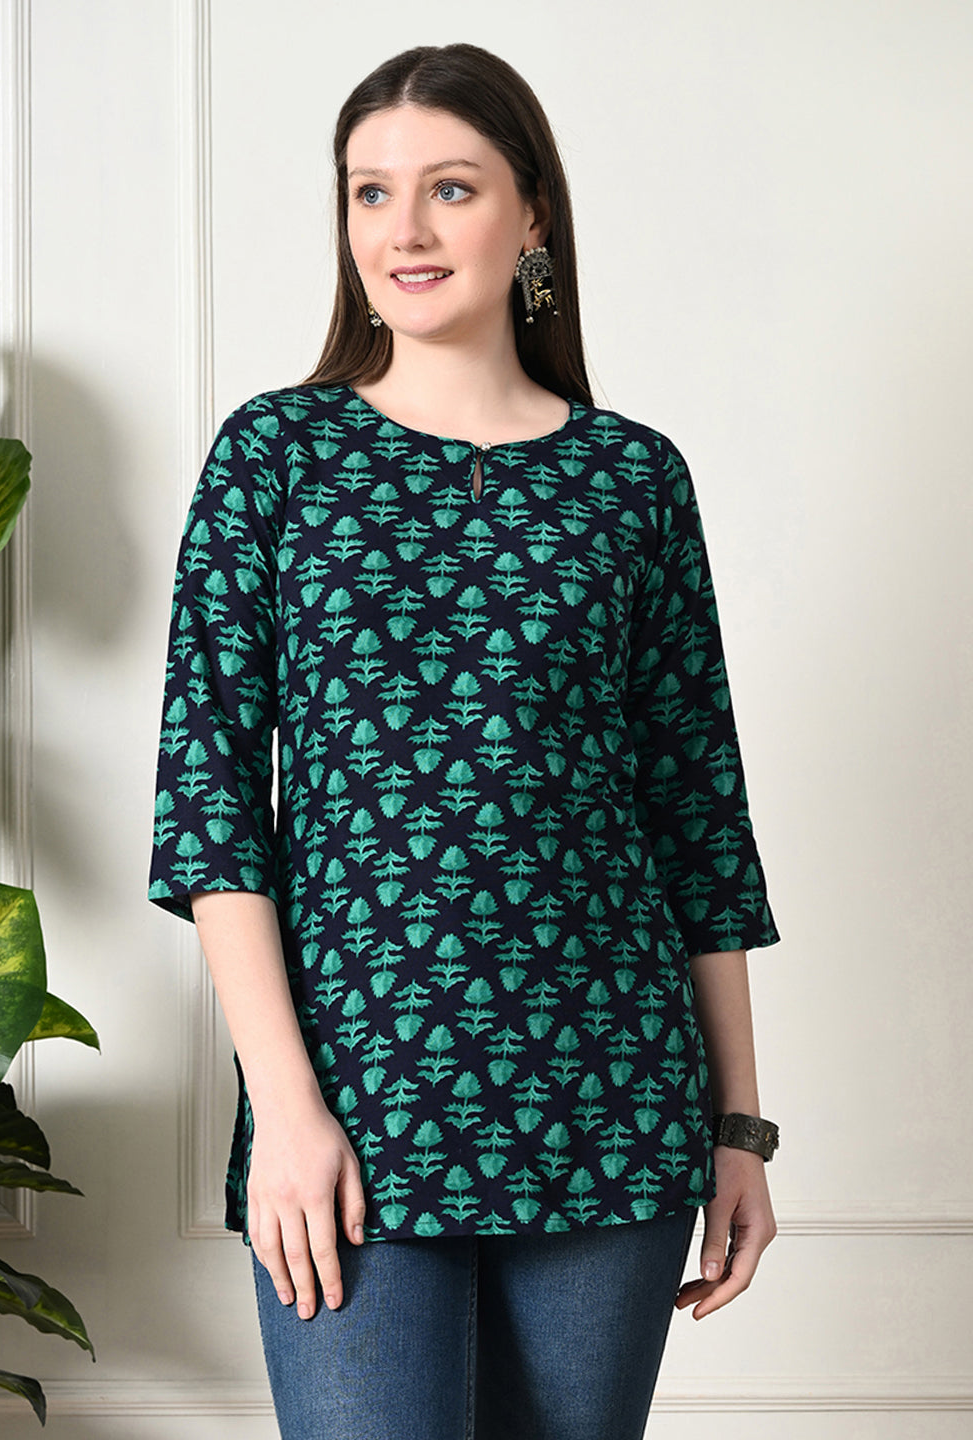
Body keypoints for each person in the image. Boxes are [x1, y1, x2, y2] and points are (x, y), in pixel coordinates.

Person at [149, 41, 780, 1440]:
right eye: (370, 193)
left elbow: (697, 822)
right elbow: (209, 810)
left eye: (450, 187)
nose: (405, 230)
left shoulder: (633, 479)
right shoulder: (275, 458)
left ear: (532, 211)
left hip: (612, 1093)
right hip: (356, 1099)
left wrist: (739, 1130)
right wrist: (285, 1110)